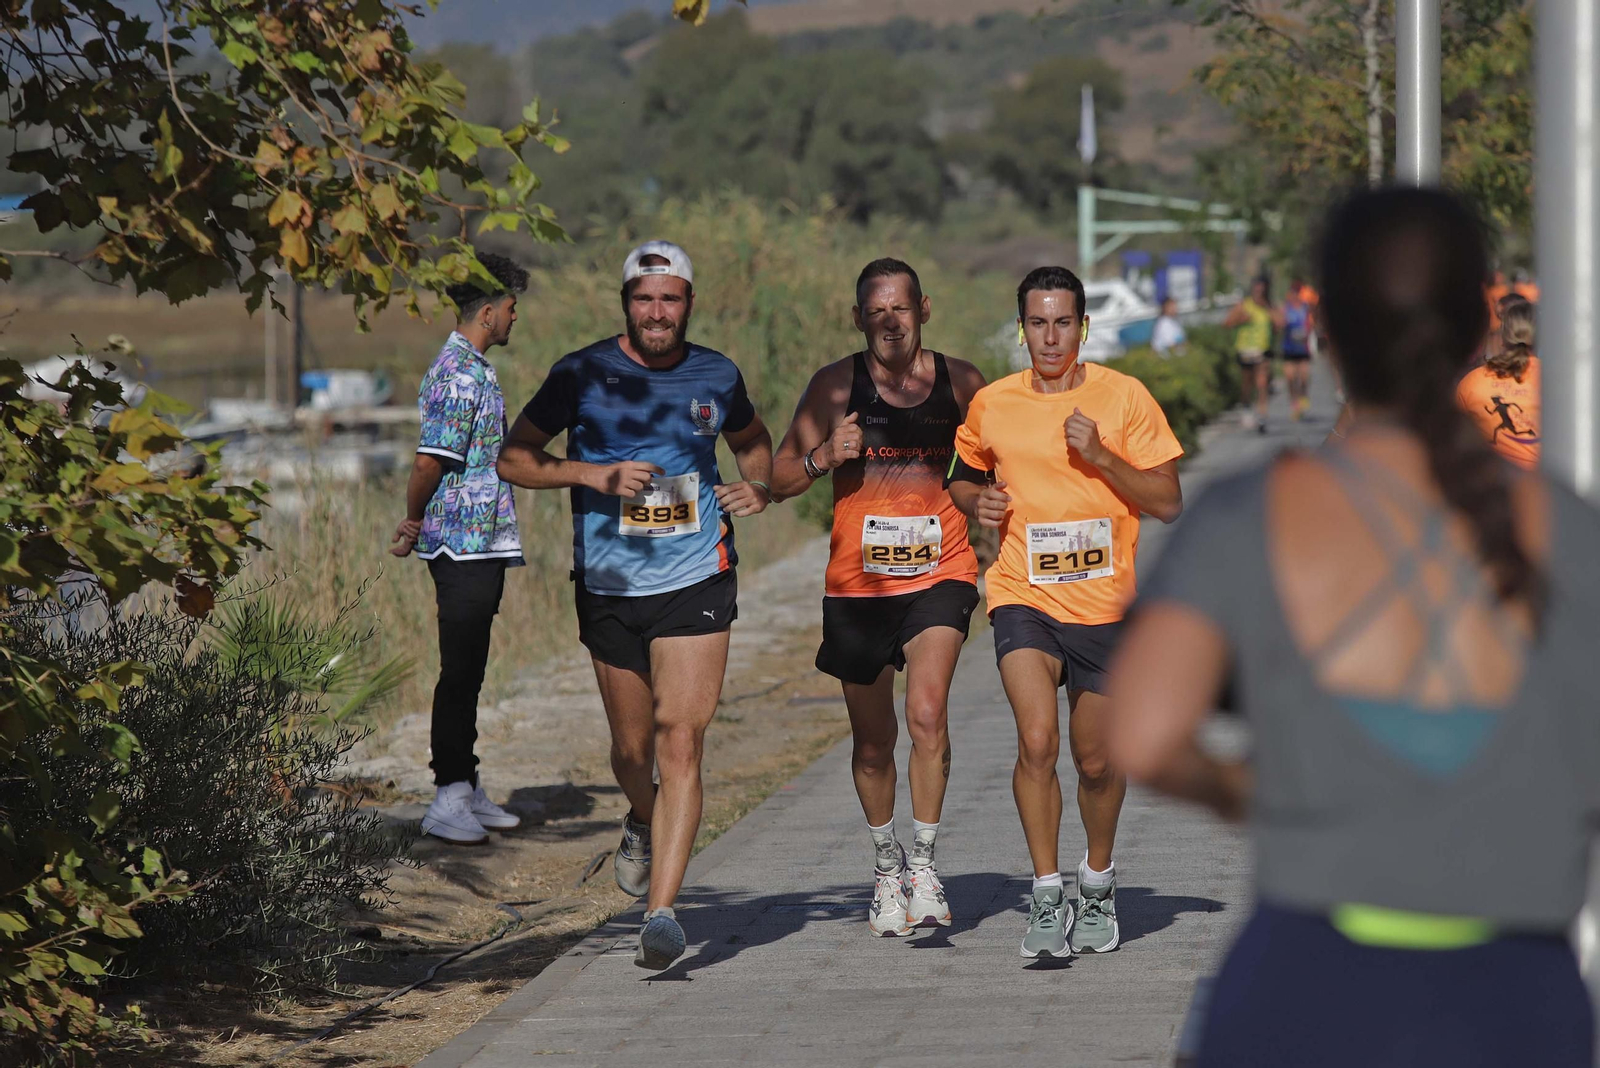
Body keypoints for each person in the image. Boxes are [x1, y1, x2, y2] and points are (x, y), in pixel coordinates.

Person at [1108, 187, 1599, 1067]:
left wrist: (1253, 791)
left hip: (1307, 988)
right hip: (1520, 998)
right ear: (1475, 325)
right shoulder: (1567, 528)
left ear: (1325, 324)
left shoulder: (1252, 515)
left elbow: (1143, 735)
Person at [496, 241, 774, 970]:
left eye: (671, 298)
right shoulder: (582, 372)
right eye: (645, 298)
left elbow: (753, 441)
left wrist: (761, 485)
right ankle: (643, 818)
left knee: (682, 738)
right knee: (633, 750)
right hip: (610, 586)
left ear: (689, 302)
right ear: (627, 303)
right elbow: (513, 456)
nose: (658, 311)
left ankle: (662, 911)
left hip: (697, 577)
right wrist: (594, 473)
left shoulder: (717, 372)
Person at [946, 266, 1183, 959]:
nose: (1050, 337)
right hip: (1023, 593)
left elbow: (1168, 501)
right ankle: (1046, 892)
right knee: (1037, 743)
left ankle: (1098, 881)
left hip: (1106, 604)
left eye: (1063, 323)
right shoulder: (993, 403)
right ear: (1021, 330)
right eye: (1037, 323)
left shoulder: (1125, 397)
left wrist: (1102, 454)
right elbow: (962, 478)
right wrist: (975, 504)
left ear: (1084, 327)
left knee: (1099, 760)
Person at [770, 258, 988, 937]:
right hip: (859, 584)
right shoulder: (835, 387)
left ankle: (923, 863)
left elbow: (1004, 463)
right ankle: (885, 863)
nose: (890, 321)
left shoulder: (964, 383)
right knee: (873, 743)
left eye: (901, 308)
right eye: (876, 312)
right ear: (857, 319)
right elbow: (778, 478)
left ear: (924, 308)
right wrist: (822, 459)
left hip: (941, 571)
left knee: (927, 715)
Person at [390, 252, 530, 845]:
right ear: (490, 312)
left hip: (483, 542)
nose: (515, 321)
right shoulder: (458, 374)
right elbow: (430, 461)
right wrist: (413, 518)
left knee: (471, 667)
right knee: (459, 668)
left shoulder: (476, 367)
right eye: (513, 311)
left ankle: (466, 785)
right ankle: (447, 793)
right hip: (460, 543)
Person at [1458, 297, 1540, 468]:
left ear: (1502, 338)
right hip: (1544, 485)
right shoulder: (1559, 382)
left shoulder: (1471, 383)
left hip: (1488, 481)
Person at [1223, 278, 1281, 433]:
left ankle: (1262, 415)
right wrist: (1241, 319)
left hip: (1263, 350)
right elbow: (1227, 323)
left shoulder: (1268, 306)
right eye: (1257, 290)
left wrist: (1270, 313)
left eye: (1262, 290)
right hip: (1245, 350)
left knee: (1262, 383)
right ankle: (1247, 406)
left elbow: (1281, 324)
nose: (1259, 293)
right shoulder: (1244, 305)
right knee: (1247, 383)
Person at [1280, 280, 1316, 420]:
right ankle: (1294, 403)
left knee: (1304, 376)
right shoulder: (1285, 308)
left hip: (1303, 348)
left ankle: (1303, 395)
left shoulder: (1306, 308)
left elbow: (1312, 322)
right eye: (1292, 293)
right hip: (1289, 348)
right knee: (1290, 377)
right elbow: (1280, 323)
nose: (1294, 295)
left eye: (1297, 293)